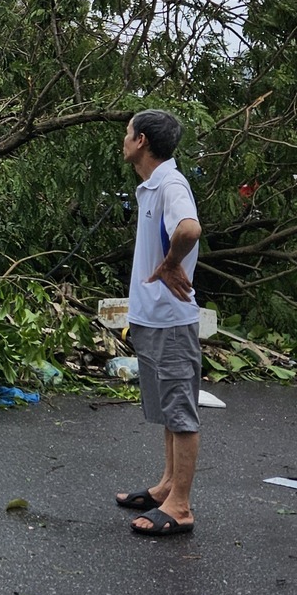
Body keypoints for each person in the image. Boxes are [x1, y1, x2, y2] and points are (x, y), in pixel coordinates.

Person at [113, 108, 204, 538]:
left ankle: (181, 506)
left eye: (128, 133)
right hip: (152, 317)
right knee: (168, 407)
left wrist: (171, 265)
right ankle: (167, 486)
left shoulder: (170, 183)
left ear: (142, 141)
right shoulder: (150, 186)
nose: (124, 139)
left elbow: (189, 228)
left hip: (170, 320)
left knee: (181, 411)